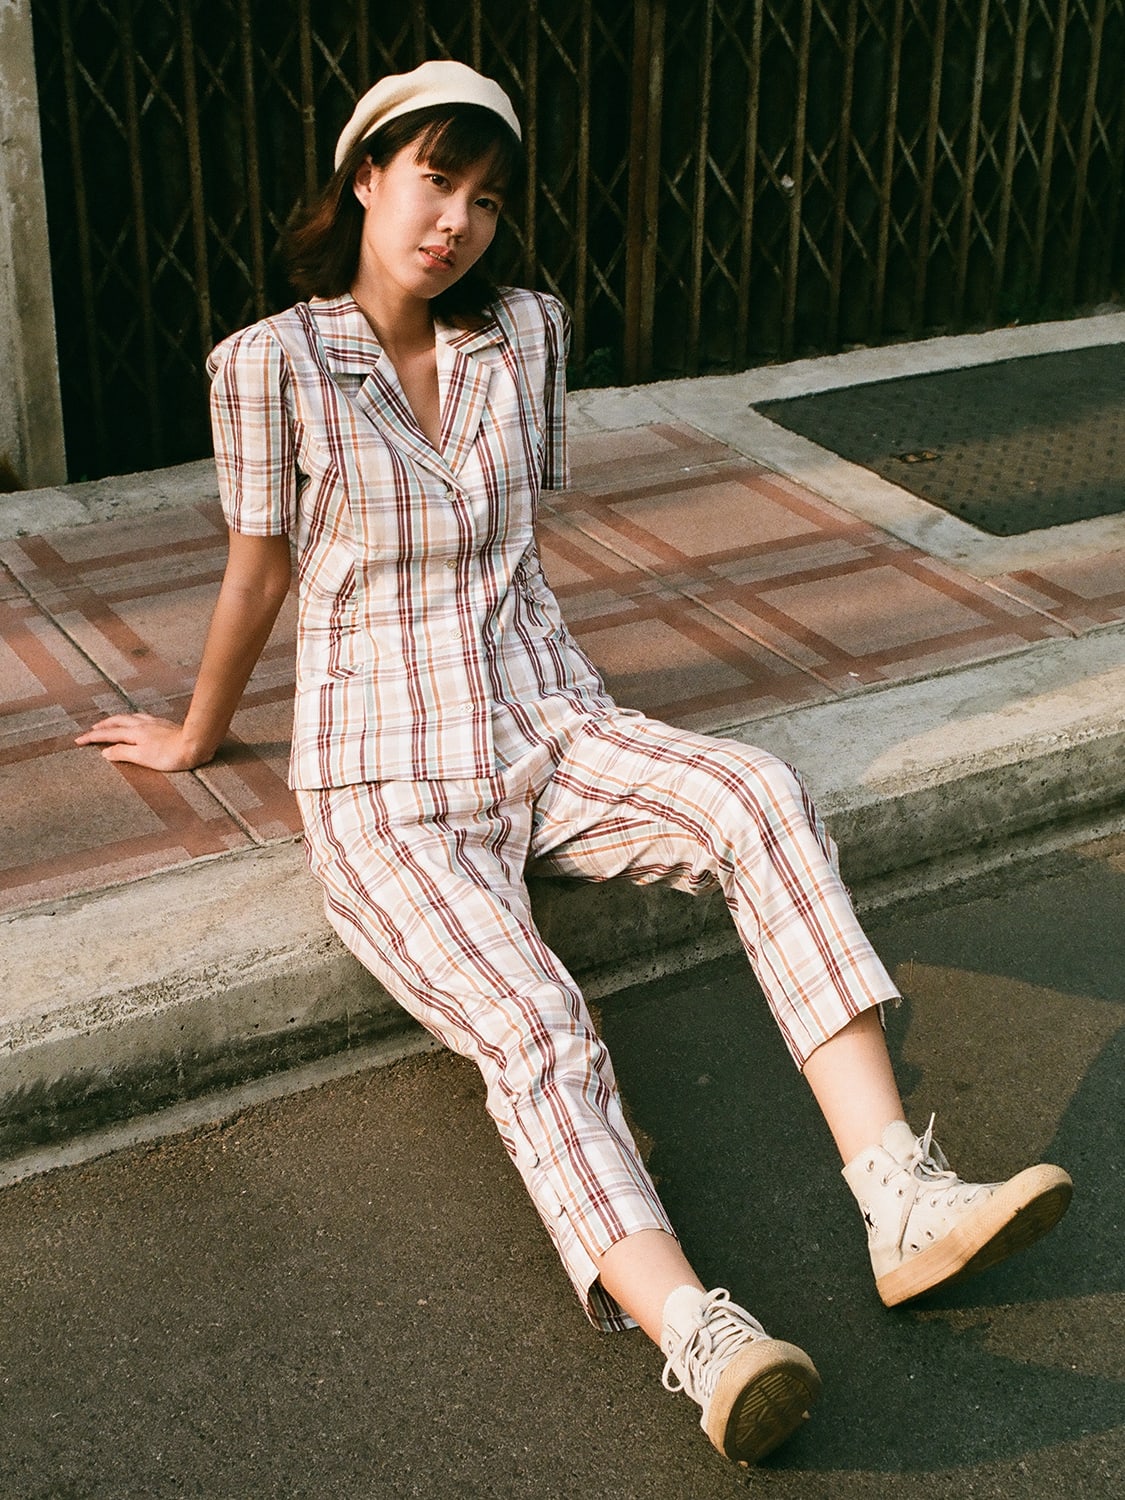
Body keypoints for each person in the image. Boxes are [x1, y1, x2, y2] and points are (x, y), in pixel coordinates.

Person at [76, 60, 1073, 1466]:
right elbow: (259, 571)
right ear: (364, 178)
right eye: (434, 182)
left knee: (755, 795)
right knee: (536, 1022)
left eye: (485, 200)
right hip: (383, 782)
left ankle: (900, 1199)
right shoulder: (268, 365)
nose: (456, 224)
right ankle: (703, 1340)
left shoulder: (527, 334)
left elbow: (508, 543)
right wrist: (196, 732)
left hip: (549, 723)